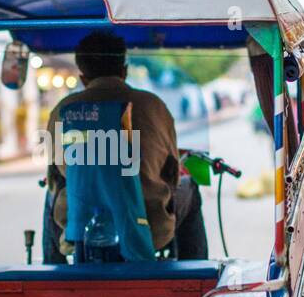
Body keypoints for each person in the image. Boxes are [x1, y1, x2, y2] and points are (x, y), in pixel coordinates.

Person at [43, 30, 208, 262]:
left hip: (79, 230)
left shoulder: (63, 110)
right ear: (124, 70)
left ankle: (53, 270)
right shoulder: (154, 106)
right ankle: (194, 274)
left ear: (82, 78)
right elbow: (171, 173)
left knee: (52, 198)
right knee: (189, 187)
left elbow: (55, 174)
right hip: (149, 227)